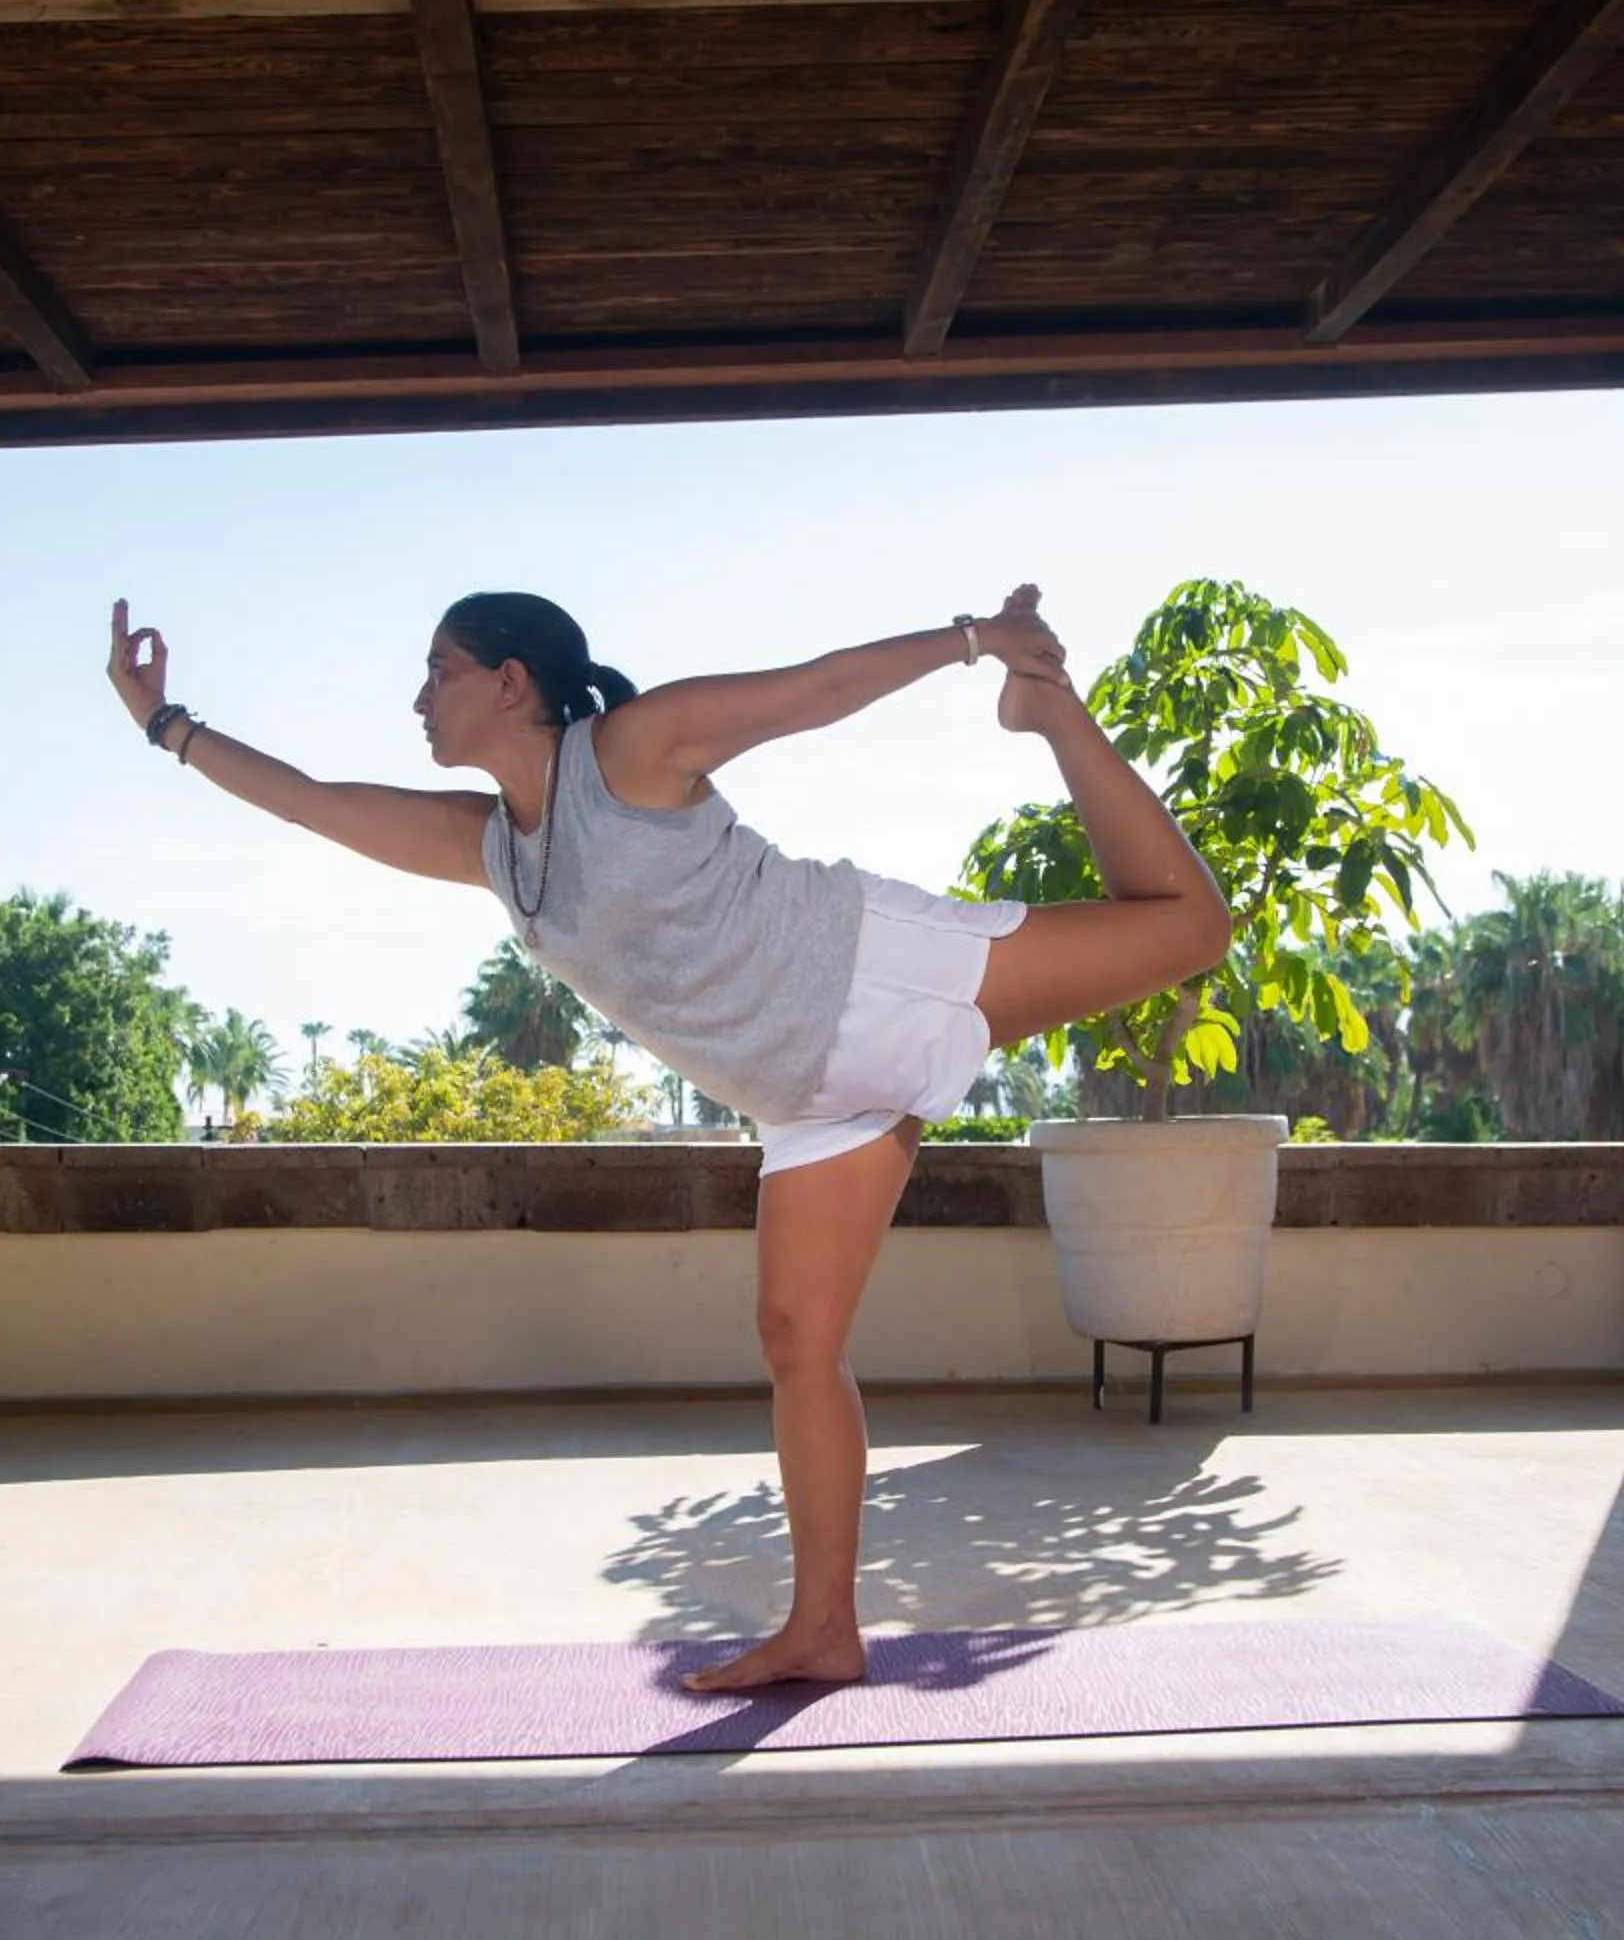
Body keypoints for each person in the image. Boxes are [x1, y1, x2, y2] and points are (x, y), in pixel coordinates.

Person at [106, 585, 1231, 1693]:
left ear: (511, 681)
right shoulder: (495, 848)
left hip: (869, 973)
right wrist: (168, 724)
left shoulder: (630, 752)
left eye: (440, 671)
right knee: (798, 1339)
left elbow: (818, 691)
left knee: (1189, 925)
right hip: (811, 1102)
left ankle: (1050, 711)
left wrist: (976, 639)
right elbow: (310, 801)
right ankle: (825, 1628)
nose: (418, 697)